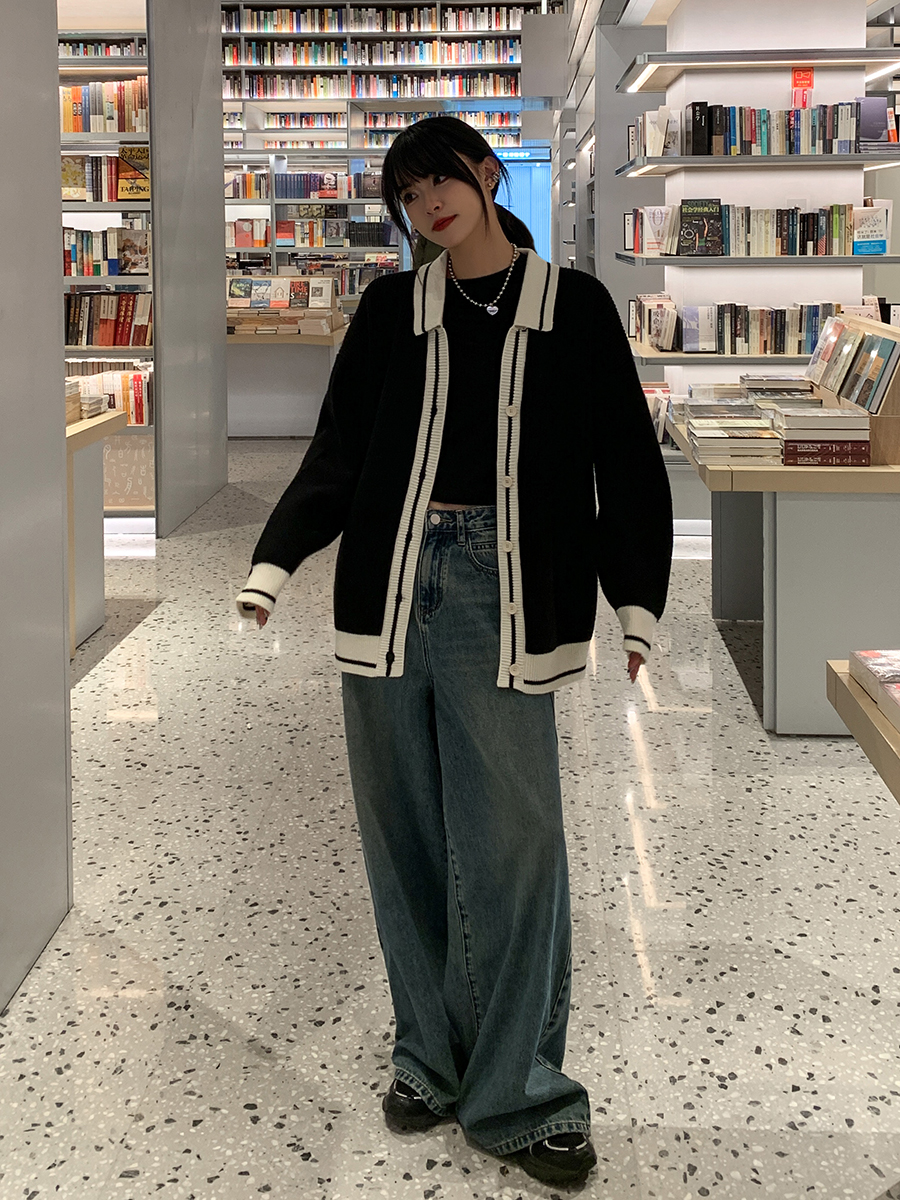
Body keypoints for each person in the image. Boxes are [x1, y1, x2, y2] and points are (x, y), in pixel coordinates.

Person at [236, 116, 673, 1188]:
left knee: (516, 844)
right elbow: (340, 451)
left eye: (440, 180)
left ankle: (523, 1092)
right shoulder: (392, 310)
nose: (427, 204)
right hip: (387, 587)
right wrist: (274, 563)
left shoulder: (574, 306)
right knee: (403, 835)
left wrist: (636, 602)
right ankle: (428, 1059)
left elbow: (624, 458)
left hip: (504, 589)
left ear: (485, 174)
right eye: (407, 194)